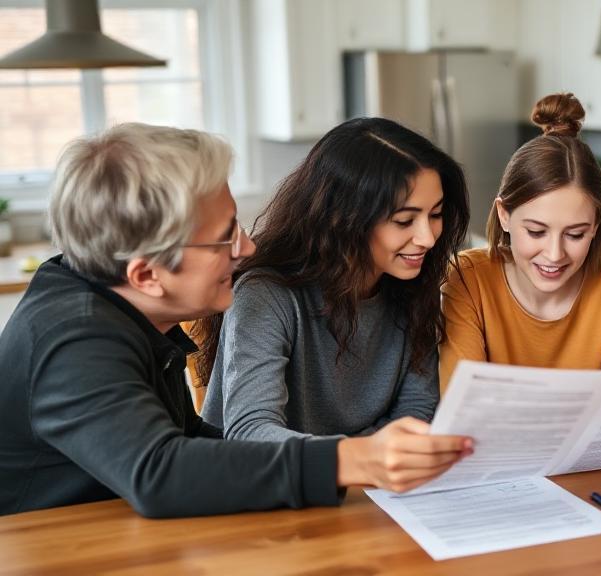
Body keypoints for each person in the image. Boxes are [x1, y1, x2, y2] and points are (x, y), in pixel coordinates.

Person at [0, 123, 470, 518]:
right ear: (146, 274)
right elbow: (160, 471)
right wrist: (350, 459)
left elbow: (194, 442)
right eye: (225, 238)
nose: (246, 250)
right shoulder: (73, 339)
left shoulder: (121, 312)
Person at [198, 118, 470, 444]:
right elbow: (252, 433)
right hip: (268, 488)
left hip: (368, 485)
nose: (427, 238)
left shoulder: (411, 283)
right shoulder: (265, 295)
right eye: (404, 220)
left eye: (435, 215)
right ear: (345, 219)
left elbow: (415, 411)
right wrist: (364, 456)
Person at [439, 93, 601, 390]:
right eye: (536, 232)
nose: (554, 255)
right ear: (504, 215)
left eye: (575, 234)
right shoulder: (468, 278)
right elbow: (462, 403)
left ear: (596, 225)